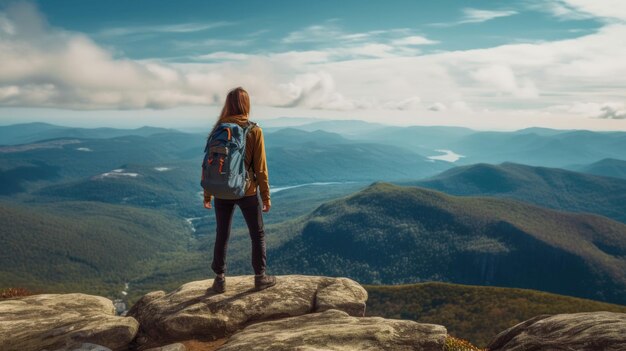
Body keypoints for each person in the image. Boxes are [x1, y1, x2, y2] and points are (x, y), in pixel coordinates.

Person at [203, 87, 276, 293]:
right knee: (257, 234)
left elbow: (209, 164)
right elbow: (261, 168)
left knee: (222, 234)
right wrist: (266, 197)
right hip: (247, 191)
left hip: (221, 191)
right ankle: (260, 278)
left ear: (228, 104)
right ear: (246, 104)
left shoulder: (218, 130)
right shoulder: (254, 131)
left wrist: (208, 194)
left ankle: (219, 280)